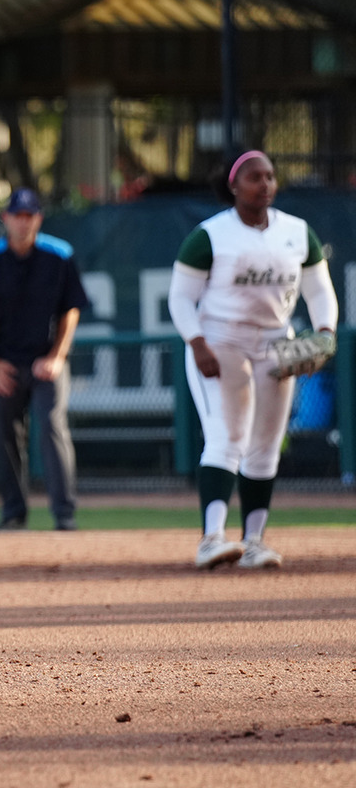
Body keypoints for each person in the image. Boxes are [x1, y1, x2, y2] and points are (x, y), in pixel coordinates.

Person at [167, 151, 336, 569]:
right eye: (255, 177)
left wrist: (325, 332)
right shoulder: (210, 236)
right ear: (233, 185)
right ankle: (211, 538)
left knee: (265, 445)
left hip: (278, 343)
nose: (265, 184)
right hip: (221, 340)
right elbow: (181, 298)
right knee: (227, 436)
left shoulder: (297, 232)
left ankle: (255, 541)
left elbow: (319, 291)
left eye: (270, 177)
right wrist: (197, 341)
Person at [0, 188, 89, 532]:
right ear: (6, 219)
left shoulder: (59, 255)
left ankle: (64, 515)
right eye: (18, 215)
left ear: (38, 219)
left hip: (46, 361)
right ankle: (13, 514)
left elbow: (70, 309)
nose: (23, 222)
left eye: (30, 216)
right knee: (3, 433)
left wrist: (56, 357)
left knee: (51, 426)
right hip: (6, 363)